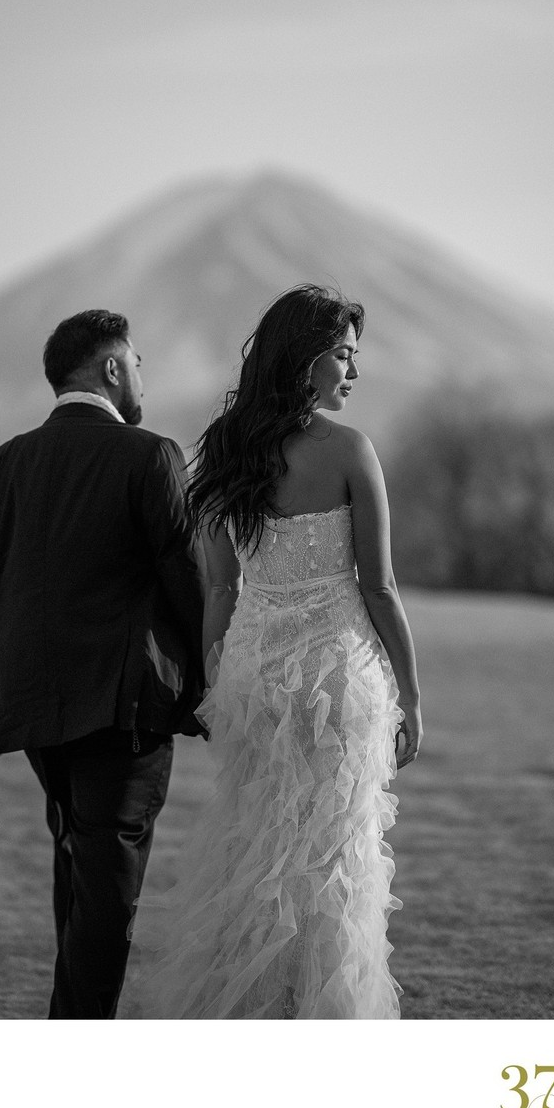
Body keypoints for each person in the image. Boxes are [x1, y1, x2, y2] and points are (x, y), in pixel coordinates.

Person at [140, 284, 422, 1019]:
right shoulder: (350, 450)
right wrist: (413, 696)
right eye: (342, 354)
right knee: (330, 861)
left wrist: (211, 676)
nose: (352, 372)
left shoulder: (225, 452)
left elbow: (221, 591)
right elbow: (380, 584)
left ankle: (243, 1012)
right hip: (339, 678)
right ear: (305, 360)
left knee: (255, 849)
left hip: (254, 679)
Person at [0, 309, 205, 1019]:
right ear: (112, 369)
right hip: (123, 713)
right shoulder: (150, 456)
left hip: (31, 710)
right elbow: (188, 585)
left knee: (80, 862)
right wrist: (209, 686)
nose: (143, 374)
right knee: (104, 886)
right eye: (139, 361)